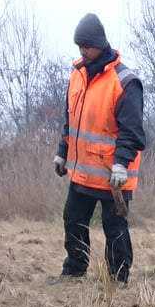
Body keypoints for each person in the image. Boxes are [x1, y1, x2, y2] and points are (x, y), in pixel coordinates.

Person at [50, 14, 145, 285]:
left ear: (101, 45)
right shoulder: (77, 75)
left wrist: (120, 165)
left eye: (87, 46)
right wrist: (62, 152)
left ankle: (118, 279)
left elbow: (133, 132)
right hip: (81, 172)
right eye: (79, 45)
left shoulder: (125, 82)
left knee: (115, 228)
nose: (82, 50)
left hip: (113, 175)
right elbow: (71, 120)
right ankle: (74, 271)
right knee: (73, 220)